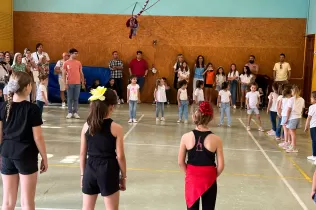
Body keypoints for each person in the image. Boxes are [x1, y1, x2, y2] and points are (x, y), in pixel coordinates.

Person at [0, 71, 48, 210]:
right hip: (26, 155)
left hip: (7, 153)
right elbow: (38, 137)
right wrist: (44, 157)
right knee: (27, 202)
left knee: (7, 202)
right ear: (27, 87)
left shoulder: (3, 107)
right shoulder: (32, 109)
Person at [80, 87, 126, 210]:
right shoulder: (116, 128)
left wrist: (82, 175)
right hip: (108, 169)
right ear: (111, 107)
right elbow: (120, 156)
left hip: (90, 168)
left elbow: (82, 153)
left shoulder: (86, 125)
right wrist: (123, 176)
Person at [178, 101, 224, 210]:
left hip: (192, 177)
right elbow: (221, 166)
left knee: (192, 207)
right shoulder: (216, 139)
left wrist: (190, 173)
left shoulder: (186, 137)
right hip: (209, 177)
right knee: (209, 207)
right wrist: (211, 177)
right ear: (211, 117)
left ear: (194, 116)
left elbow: (180, 162)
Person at [63, 48, 85, 119]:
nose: (76, 55)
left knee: (76, 98)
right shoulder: (66, 63)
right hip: (69, 83)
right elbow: (63, 74)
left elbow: (81, 73)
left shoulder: (78, 62)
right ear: (71, 54)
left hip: (77, 83)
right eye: (75, 53)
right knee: (69, 98)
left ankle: (75, 112)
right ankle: (69, 112)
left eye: (77, 53)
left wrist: (83, 82)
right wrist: (65, 84)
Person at [284, 85, 304, 153]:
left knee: (292, 133)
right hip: (298, 117)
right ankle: (292, 145)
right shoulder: (302, 99)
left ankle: (293, 147)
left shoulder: (291, 99)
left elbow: (289, 110)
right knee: (293, 132)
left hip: (292, 118)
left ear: (293, 91)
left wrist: (286, 119)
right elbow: (302, 109)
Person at [305, 91, 316, 163]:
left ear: (315, 98)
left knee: (314, 141)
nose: (310, 98)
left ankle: (314, 156)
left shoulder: (312, 107)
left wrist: (306, 126)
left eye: (311, 97)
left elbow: (309, 118)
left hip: (314, 127)